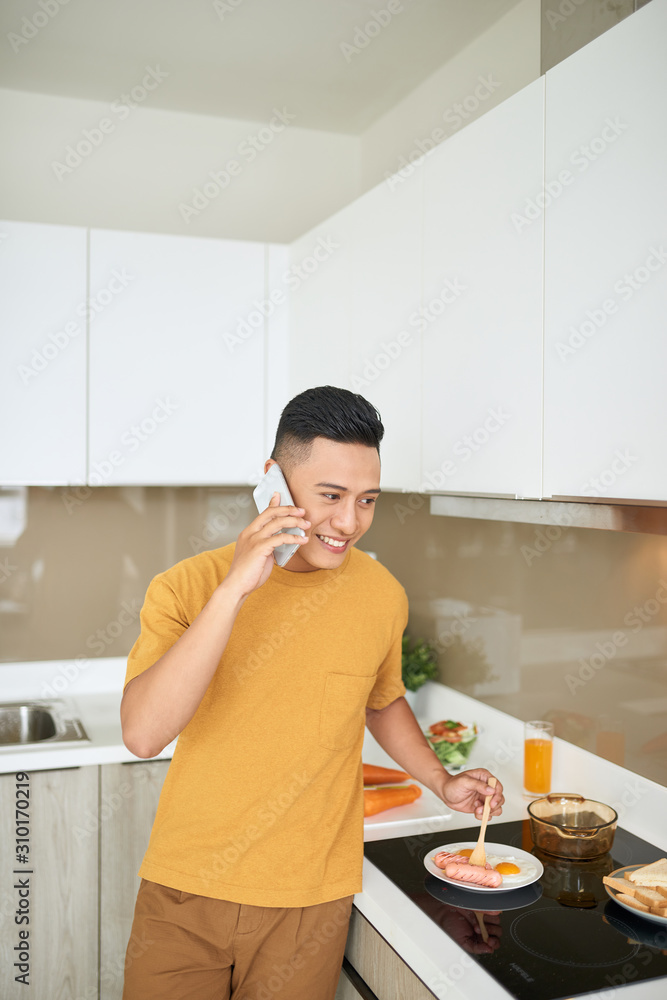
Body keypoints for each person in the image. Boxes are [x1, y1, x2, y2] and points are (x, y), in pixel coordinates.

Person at [120, 385, 504, 1000]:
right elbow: (142, 734)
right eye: (330, 496)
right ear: (274, 481)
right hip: (186, 892)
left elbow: (380, 699)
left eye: (367, 500)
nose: (348, 523)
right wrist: (234, 591)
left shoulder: (381, 594)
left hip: (310, 904)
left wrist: (441, 780)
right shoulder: (187, 588)